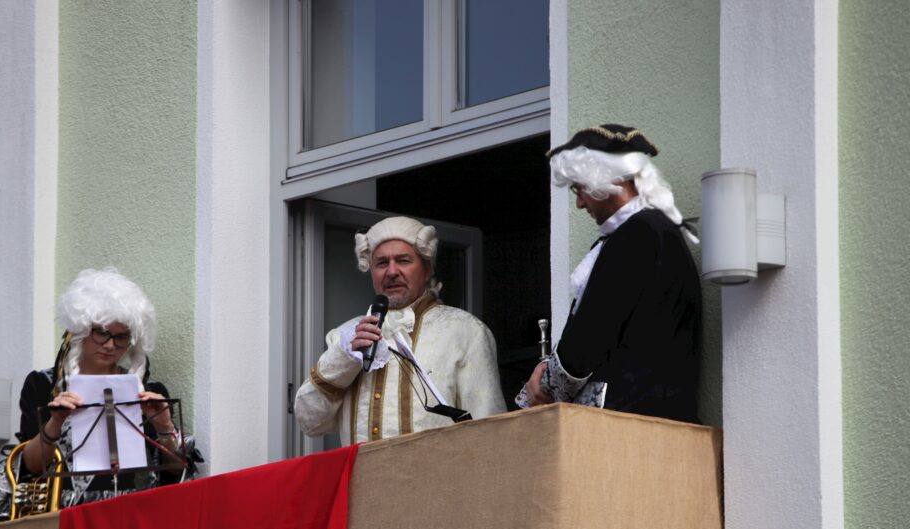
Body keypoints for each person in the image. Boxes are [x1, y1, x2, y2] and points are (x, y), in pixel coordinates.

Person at [0, 267, 199, 522]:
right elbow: (30, 468)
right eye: (101, 332)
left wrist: (165, 427)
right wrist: (56, 422)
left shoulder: (151, 391)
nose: (109, 345)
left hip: (136, 518)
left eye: (120, 337)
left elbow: (174, 474)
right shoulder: (43, 384)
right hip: (66, 519)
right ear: (81, 330)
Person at [519, 124, 702, 423]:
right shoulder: (649, 231)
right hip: (651, 419)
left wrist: (540, 387)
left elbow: (589, 337)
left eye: (579, 188)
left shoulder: (639, 234)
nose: (579, 203)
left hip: (636, 420)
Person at [294, 216, 506, 444]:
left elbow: (490, 431)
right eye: (382, 263)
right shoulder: (345, 336)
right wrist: (344, 358)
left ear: (427, 269)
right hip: (364, 480)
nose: (392, 271)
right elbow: (310, 421)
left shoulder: (465, 331)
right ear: (371, 271)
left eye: (403, 261)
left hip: (437, 479)